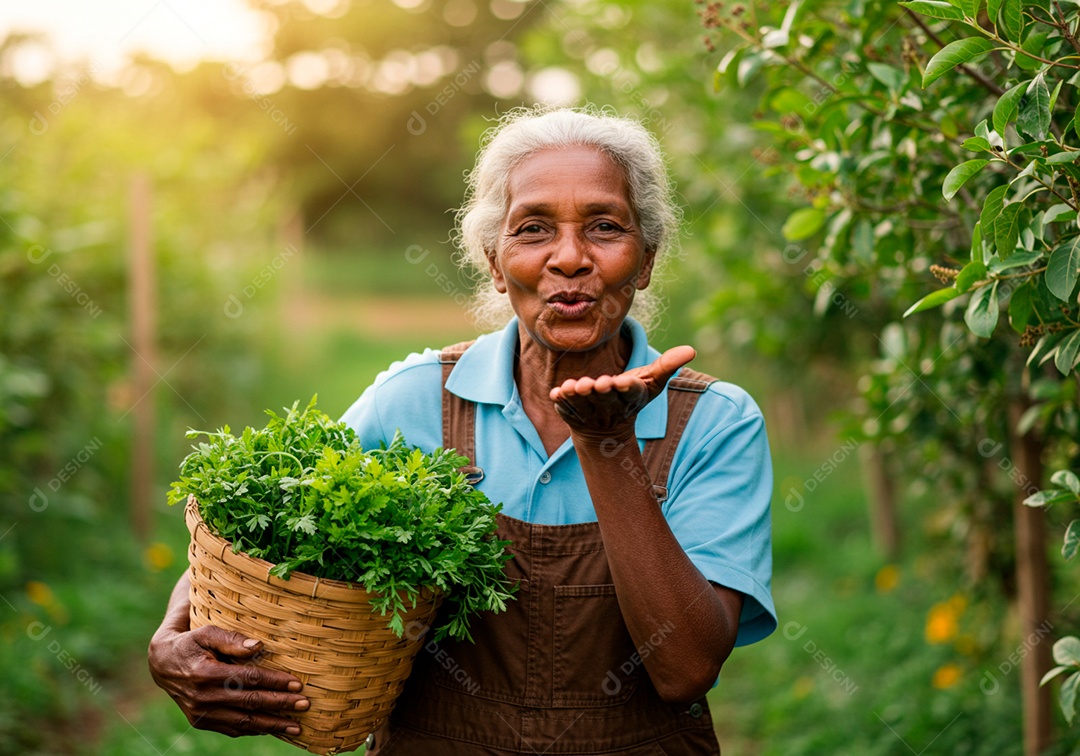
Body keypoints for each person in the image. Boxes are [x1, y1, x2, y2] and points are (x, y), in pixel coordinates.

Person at [148, 106, 776, 755]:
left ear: (644, 260)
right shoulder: (417, 400)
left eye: (604, 226)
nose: (569, 257)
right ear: (496, 263)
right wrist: (172, 633)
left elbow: (686, 669)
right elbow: (264, 525)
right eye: (533, 229)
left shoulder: (713, 424)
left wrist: (606, 442)